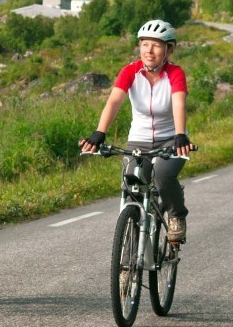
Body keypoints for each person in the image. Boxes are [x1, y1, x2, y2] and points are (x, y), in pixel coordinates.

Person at [79, 19, 193, 243]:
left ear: (169, 49)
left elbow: (179, 103)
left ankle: (177, 215)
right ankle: (128, 255)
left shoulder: (175, 73)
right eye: (144, 44)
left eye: (156, 45)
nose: (149, 51)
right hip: (138, 141)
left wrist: (181, 135)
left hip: (170, 139)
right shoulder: (130, 71)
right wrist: (99, 133)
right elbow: (113, 101)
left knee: (162, 175)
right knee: (131, 184)